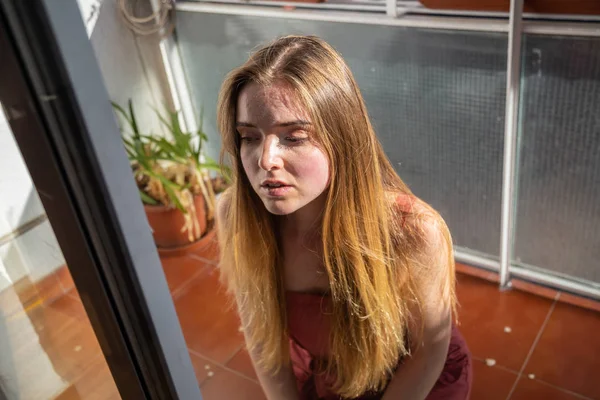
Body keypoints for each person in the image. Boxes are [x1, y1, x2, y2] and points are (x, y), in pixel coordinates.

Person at [215, 35, 472, 400]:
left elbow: (430, 348)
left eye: (294, 137)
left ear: (342, 138)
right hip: (336, 382)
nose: (265, 159)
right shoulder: (235, 216)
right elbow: (260, 338)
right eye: (249, 137)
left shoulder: (412, 231)